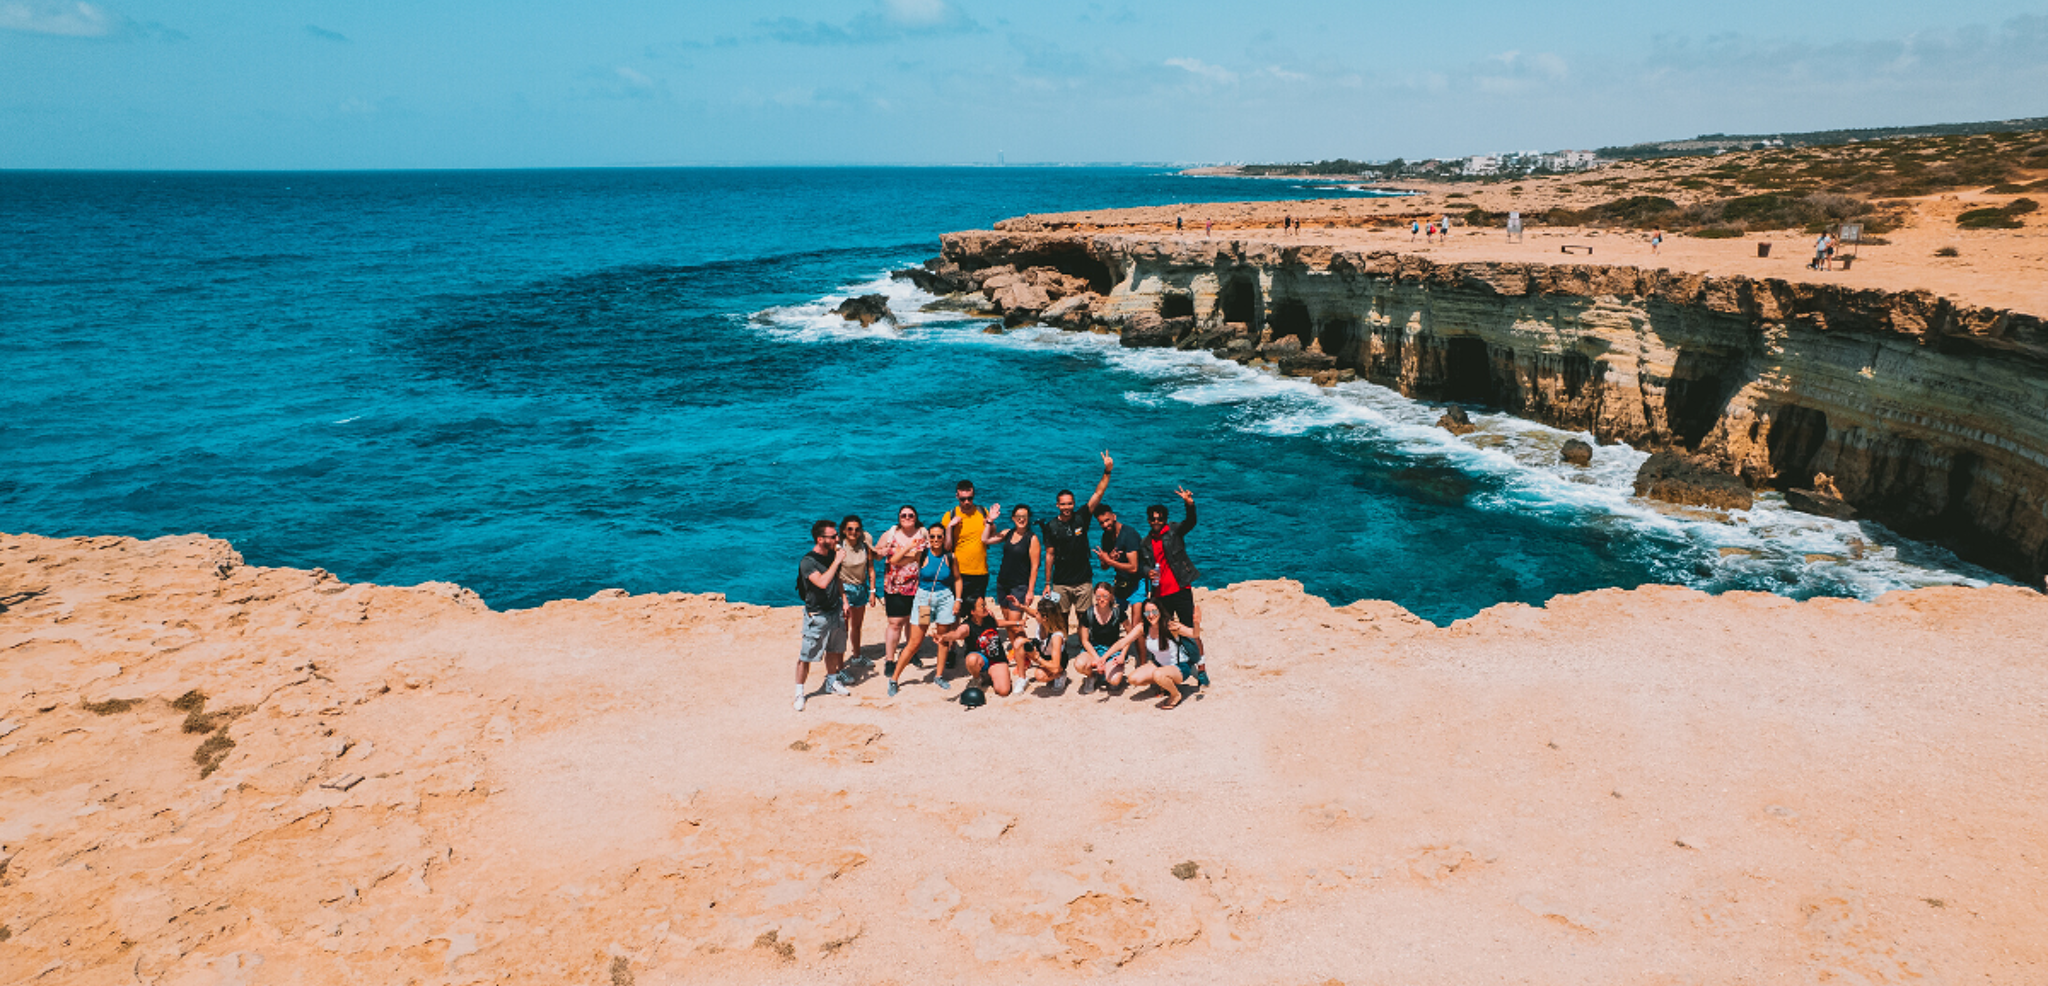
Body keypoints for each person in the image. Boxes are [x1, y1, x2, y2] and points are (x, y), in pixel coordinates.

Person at [1039, 452, 1114, 685]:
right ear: (1057, 505)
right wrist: (1047, 583)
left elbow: (1098, 492)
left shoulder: (1082, 517)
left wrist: (1107, 471)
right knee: (1059, 624)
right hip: (1061, 581)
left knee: (1084, 620)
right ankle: (1059, 665)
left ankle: (1087, 658)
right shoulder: (1051, 526)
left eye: (1070, 503)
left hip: (1083, 580)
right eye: (1063, 504)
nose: (1067, 507)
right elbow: (1049, 555)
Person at [891, 519, 961, 696]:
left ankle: (938, 675)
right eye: (933, 536)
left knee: (943, 639)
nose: (936, 539)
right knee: (915, 642)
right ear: (928, 537)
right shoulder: (921, 555)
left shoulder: (950, 557)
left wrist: (958, 600)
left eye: (939, 536)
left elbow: (958, 579)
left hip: (945, 599)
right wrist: (909, 547)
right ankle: (894, 678)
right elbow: (895, 560)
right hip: (924, 600)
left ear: (944, 538)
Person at [795, 519, 852, 712]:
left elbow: (837, 581)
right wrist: (837, 561)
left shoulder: (830, 556)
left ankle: (832, 681)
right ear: (820, 539)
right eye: (833, 536)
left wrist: (844, 600)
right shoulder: (807, 562)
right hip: (817, 614)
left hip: (834, 609)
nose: (838, 538)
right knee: (807, 655)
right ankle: (799, 692)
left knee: (834, 649)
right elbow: (822, 582)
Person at [1123, 599, 1200, 709]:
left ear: (1160, 611)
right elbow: (1124, 641)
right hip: (1160, 664)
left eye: (1154, 612)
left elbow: (1194, 634)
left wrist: (1196, 623)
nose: (1151, 615)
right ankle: (1164, 683)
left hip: (1180, 666)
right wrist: (1103, 658)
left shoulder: (1171, 626)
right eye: (1146, 613)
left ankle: (1176, 695)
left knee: (1158, 674)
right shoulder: (1144, 627)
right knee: (1133, 678)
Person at [875, 506, 924, 676]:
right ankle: (890, 660)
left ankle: (911, 653)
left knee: (913, 622)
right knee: (895, 623)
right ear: (899, 518)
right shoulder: (890, 534)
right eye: (903, 515)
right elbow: (877, 555)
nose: (907, 517)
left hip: (918, 586)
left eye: (911, 515)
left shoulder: (923, 533)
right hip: (894, 586)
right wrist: (879, 551)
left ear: (916, 517)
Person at [1070, 581, 1134, 695]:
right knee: (1079, 664)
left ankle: (1107, 673)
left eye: (1105, 596)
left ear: (1110, 596)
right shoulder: (1088, 613)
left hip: (1112, 650)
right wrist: (1098, 659)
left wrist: (1123, 655)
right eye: (1098, 596)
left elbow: (1130, 635)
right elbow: (1084, 640)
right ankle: (1091, 676)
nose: (1102, 599)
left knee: (1114, 682)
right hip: (1093, 649)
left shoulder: (1118, 612)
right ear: (1095, 596)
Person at [960, 596, 1031, 698]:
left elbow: (997, 623)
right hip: (981, 659)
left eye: (985, 604)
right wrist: (944, 637)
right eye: (982, 606)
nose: (986, 607)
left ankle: (989, 676)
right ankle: (977, 678)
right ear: (973, 611)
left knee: (1004, 691)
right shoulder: (966, 626)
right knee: (971, 660)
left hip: (997, 659)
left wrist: (1017, 623)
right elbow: (957, 634)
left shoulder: (988, 617)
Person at [942, 480, 992, 607]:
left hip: (981, 571)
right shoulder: (950, 515)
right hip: (959, 572)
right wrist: (949, 527)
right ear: (957, 496)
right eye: (963, 499)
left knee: (977, 610)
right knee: (956, 609)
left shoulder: (982, 511)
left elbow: (989, 537)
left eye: (970, 498)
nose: (967, 502)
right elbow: (946, 547)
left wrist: (991, 522)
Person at [837, 514, 877, 669]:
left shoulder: (865, 545)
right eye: (850, 529)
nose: (853, 532)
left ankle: (856, 655)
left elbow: (871, 569)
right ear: (844, 530)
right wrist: (843, 598)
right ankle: (840, 666)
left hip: (861, 588)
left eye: (857, 529)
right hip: (844, 589)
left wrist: (872, 591)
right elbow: (836, 573)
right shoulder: (839, 546)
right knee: (843, 629)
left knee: (857, 625)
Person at [990, 504, 1041, 622]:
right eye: (1018, 516)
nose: (1021, 519)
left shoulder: (1032, 539)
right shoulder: (1008, 533)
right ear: (1013, 518)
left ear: (1028, 518)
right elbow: (986, 539)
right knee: (1009, 623)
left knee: (1015, 624)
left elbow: (1035, 567)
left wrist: (1030, 591)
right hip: (1002, 583)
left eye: (1024, 516)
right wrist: (990, 521)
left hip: (1019, 586)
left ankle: (1022, 641)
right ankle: (1016, 641)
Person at [1092, 502, 1147, 607]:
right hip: (1121, 581)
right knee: (1118, 617)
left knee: (1136, 620)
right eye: (1101, 523)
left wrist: (1109, 561)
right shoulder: (1106, 537)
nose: (1105, 525)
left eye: (1107, 520)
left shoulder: (1129, 534)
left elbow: (1133, 568)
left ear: (1114, 517)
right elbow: (1104, 567)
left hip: (1137, 582)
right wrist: (1106, 561)